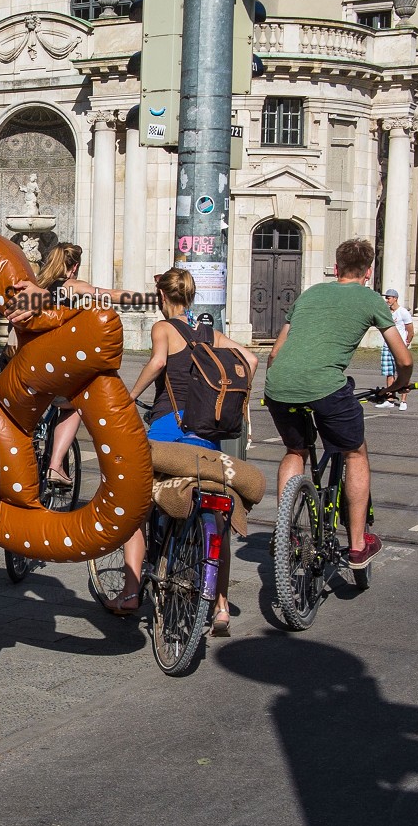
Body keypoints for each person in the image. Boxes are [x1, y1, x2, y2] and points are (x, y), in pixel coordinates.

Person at [119, 269, 258, 632]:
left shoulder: (163, 328)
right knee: (216, 510)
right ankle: (222, 606)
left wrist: (129, 397)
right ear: (191, 298)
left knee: (135, 500)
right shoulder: (211, 334)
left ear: (163, 298)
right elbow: (251, 360)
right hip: (205, 435)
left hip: (169, 426)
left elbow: (158, 363)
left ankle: (132, 591)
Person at [265, 239, 412, 571]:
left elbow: (274, 354)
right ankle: (358, 546)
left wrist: (287, 381)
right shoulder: (371, 298)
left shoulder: (310, 294)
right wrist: (401, 384)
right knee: (354, 452)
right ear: (368, 271)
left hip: (279, 385)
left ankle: (286, 532)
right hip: (326, 387)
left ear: (336, 267)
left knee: (295, 450)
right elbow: (403, 357)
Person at [30, 242, 144, 487]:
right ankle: (56, 465)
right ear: (74, 267)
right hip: (54, 371)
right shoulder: (70, 286)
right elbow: (109, 295)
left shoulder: (37, 287)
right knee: (72, 405)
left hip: (27, 368)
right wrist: (143, 297)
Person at [375, 289, 414, 410]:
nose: (387, 300)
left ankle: (403, 401)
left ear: (395, 298)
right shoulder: (386, 312)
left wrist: (406, 344)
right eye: (386, 298)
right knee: (389, 373)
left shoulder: (403, 312)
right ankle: (390, 399)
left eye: (389, 298)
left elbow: (411, 331)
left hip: (399, 346)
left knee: (403, 373)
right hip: (387, 346)